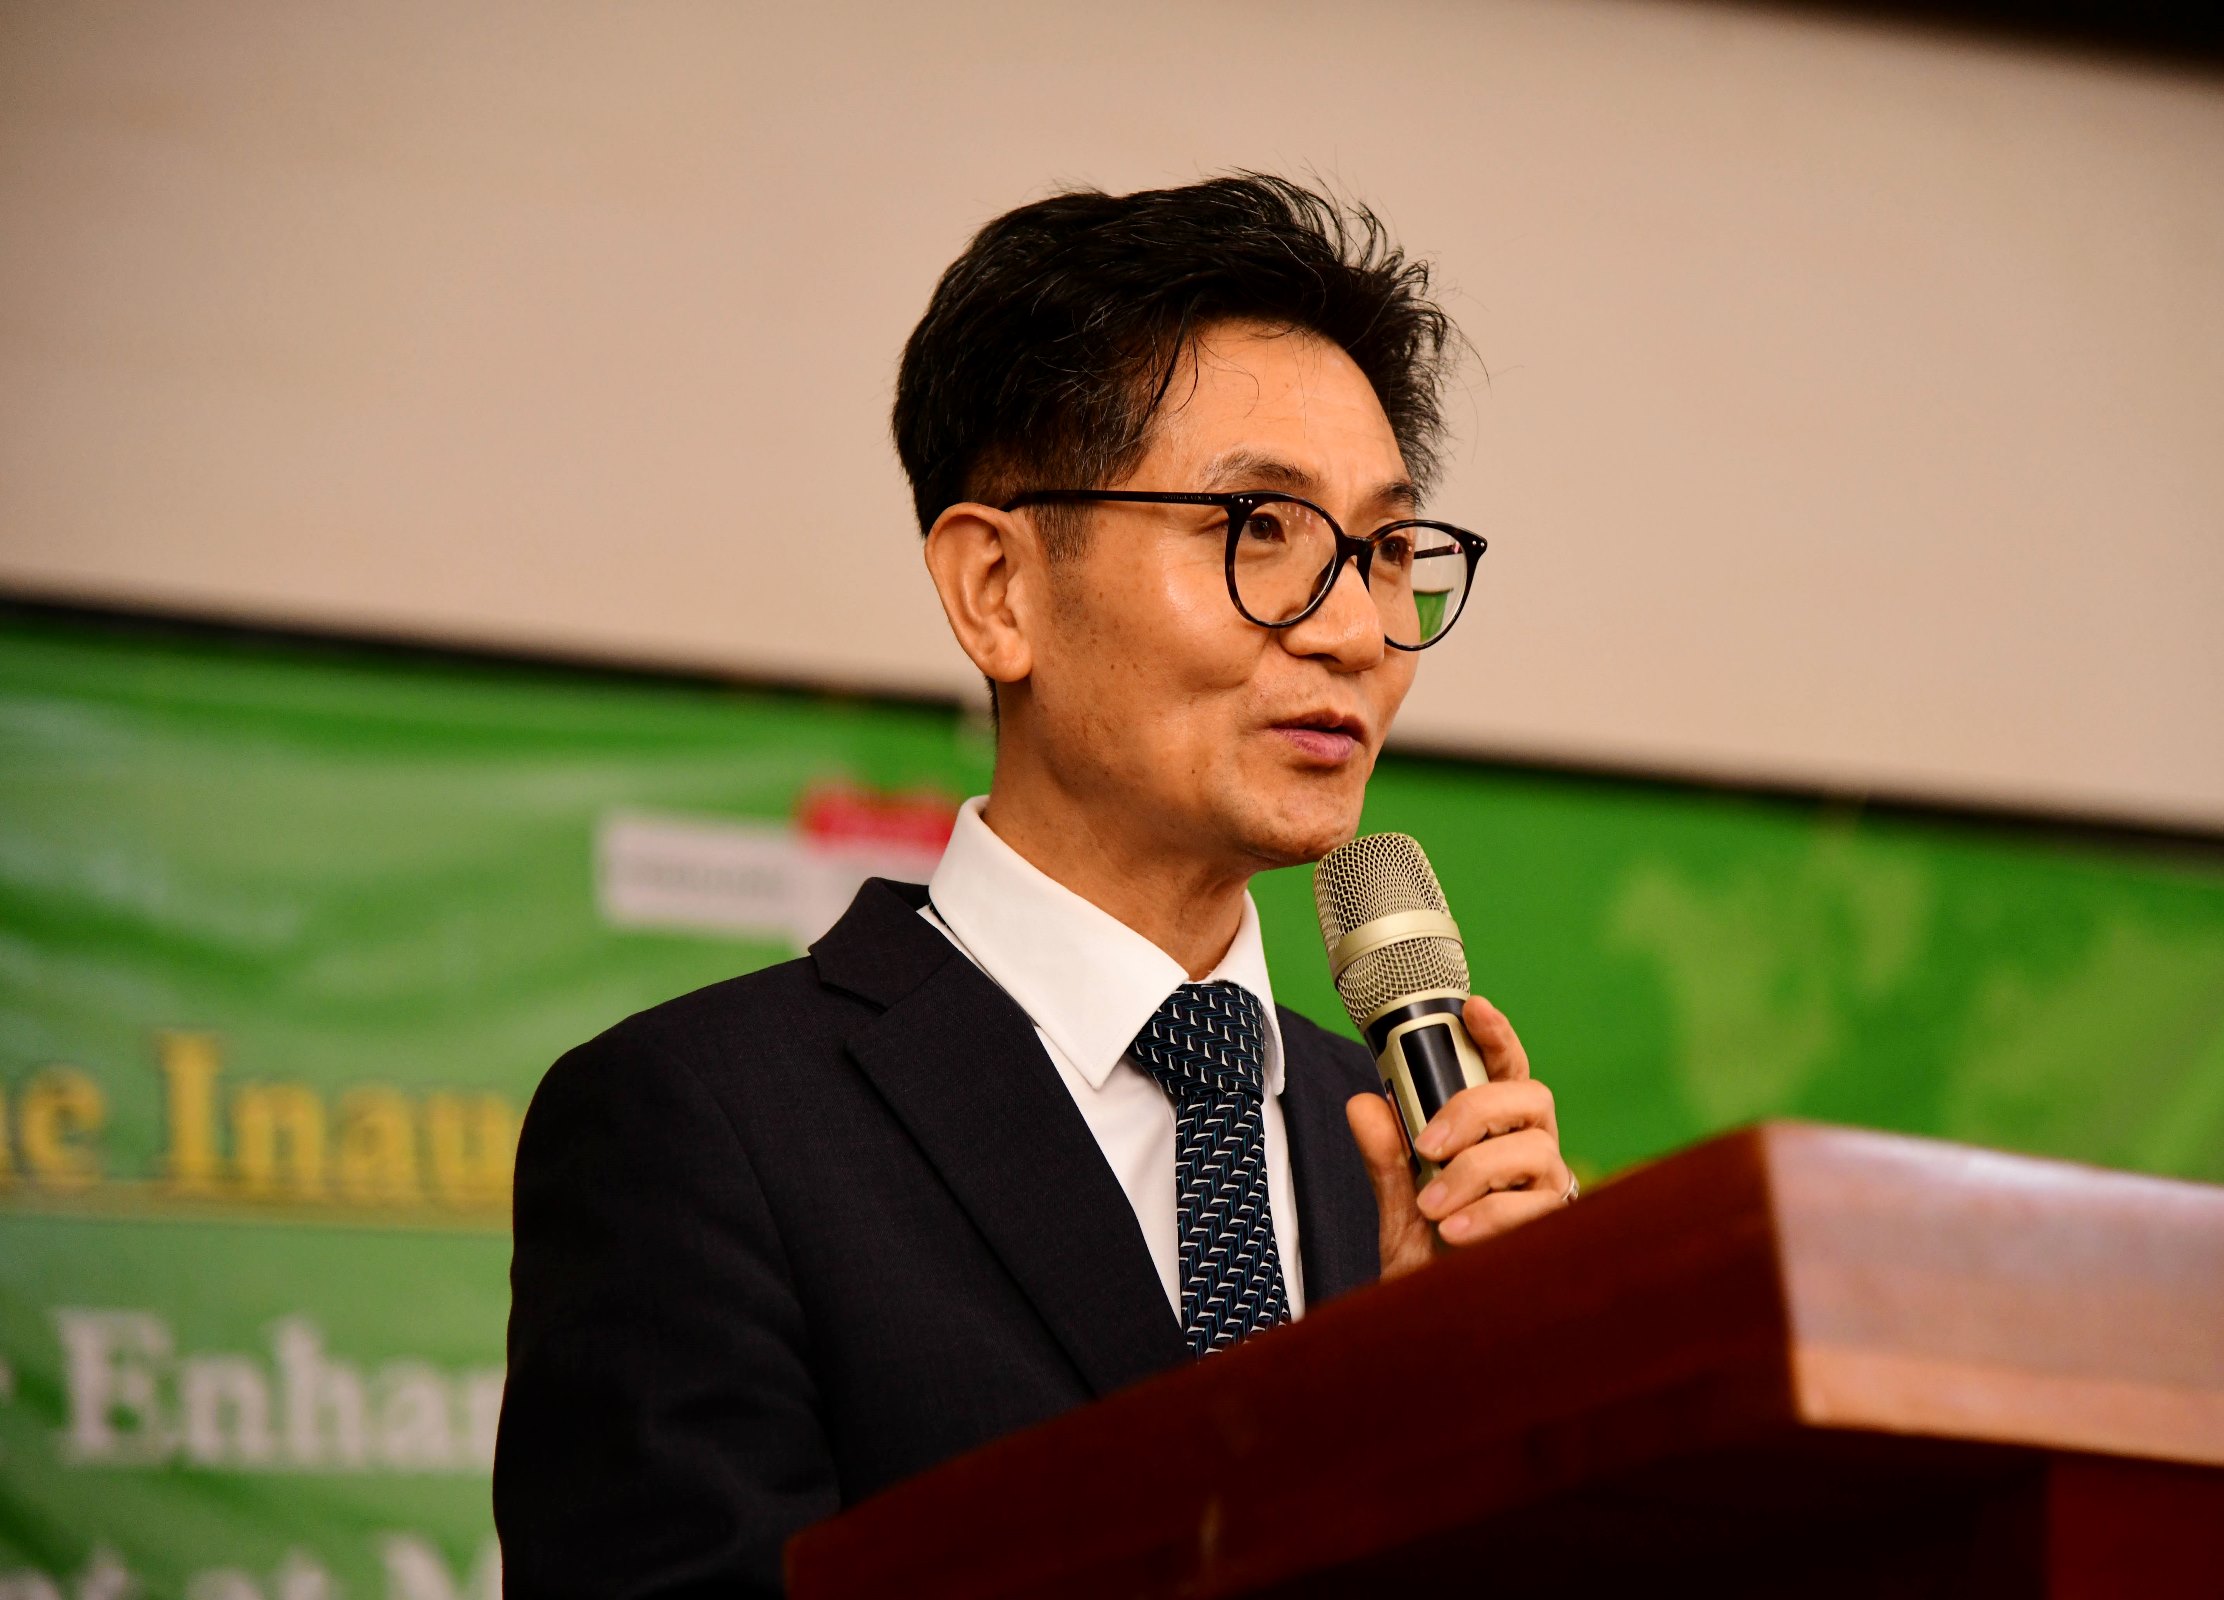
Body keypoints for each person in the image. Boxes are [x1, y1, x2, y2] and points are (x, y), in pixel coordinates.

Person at [494, 173, 1573, 1597]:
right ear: (997, 589)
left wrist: (1505, 1401)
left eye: (1383, 549)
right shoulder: (707, 1130)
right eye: (1259, 529)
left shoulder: (1401, 1151)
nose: (1358, 629)